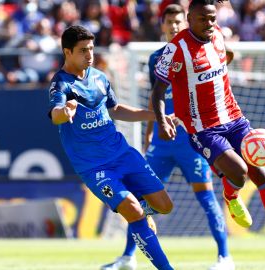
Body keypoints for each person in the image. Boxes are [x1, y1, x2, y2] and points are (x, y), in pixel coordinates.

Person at [151, 0, 265, 265]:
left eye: (212, 18)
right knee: (240, 171)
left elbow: (225, 58)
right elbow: (157, 92)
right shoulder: (175, 49)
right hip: (202, 129)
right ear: (190, 18)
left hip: (235, 119)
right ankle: (231, 194)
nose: (209, 24)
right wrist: (162, 120)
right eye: (203, 19)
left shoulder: (219, 38)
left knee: (262, 174)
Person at [101, 4, 234, 270]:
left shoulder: (197, 51)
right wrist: (150, 133)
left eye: (177, 22)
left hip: (190, 140)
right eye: (169, 22)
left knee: (206, 198)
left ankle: (224, 257)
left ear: (184, 23)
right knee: (141, 199)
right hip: (162, 142)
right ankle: (128, 257)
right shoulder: (155, 58)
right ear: (162, 25)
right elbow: (155, 99)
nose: (173, 27)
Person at [48, 25, 175, 270]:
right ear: (67, 52)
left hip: (122, 153)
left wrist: (156, 116)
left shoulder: (99, 77)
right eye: (83, 50)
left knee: (164, 206)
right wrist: (64, 112)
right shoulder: (60, 84)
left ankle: (140, 213)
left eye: (91, 49)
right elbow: (55, 114)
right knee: (133, 211)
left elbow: (115, 110)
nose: (89, 55)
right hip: (95, 167)